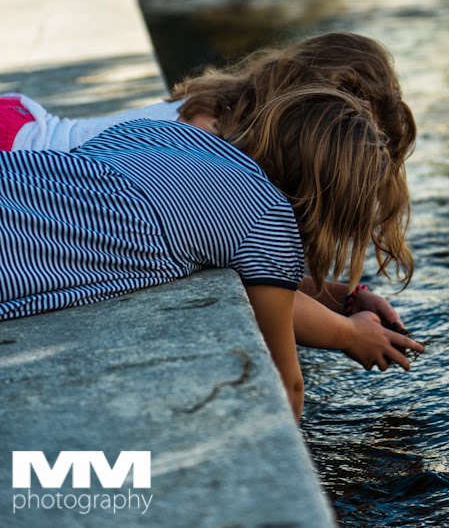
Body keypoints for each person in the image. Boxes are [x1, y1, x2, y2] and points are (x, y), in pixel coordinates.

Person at [0, 35, 424, 414]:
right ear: (327, 203)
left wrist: (344, 301)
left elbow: (258, 277)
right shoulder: (267, 215)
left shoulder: (170, 133)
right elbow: (285, 387)